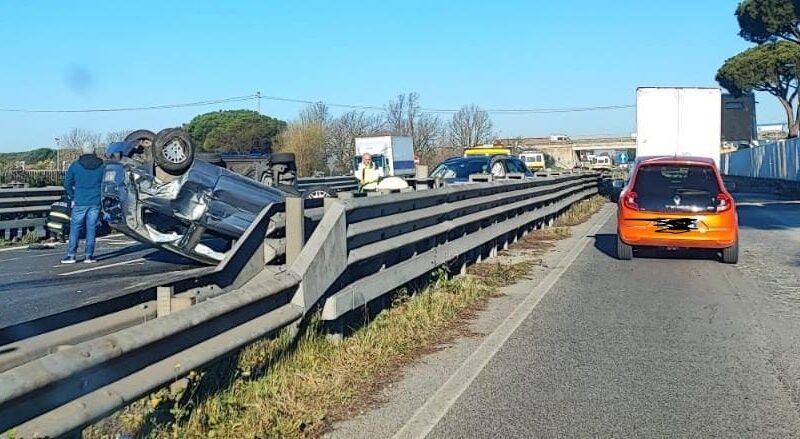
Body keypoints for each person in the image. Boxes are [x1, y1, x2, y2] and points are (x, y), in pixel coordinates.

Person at [61, 142, 105, 264]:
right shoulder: (102, 166)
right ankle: (89, 256)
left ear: (83, 151)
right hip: (95, 200)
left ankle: (71, 256)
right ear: (94, 150)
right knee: (91, 228)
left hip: (80, 200)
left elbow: (67, 183)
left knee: (75, 228)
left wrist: (73, 196)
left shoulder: (75, 166)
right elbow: (105, 182)